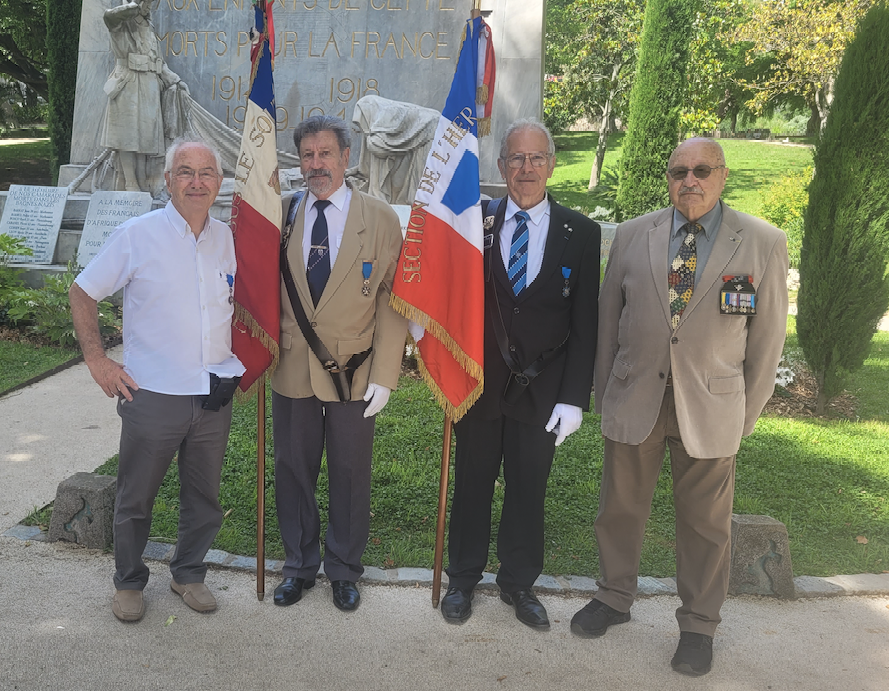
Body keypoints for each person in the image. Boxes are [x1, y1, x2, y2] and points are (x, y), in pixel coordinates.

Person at [572, 137, 788, 676]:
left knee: (706, 526)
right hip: (635, 397)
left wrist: (745, 414)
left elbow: (767, 342)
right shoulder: (630, 235)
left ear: (722, 175)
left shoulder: (761, 242)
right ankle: (614, 597)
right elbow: (606, 324)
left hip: (712, 409)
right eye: (679, 171)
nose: (689, 180)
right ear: (668, 178)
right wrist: (606, 394)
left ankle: (697, 625)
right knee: (619, 510)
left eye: (701, 170)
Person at [69, 141, 242, 622]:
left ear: (219, 183)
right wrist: (98, 360)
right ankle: (128, 581)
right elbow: (82, 291)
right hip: (154, 395)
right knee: (137, 495)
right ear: (167, 181)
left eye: (207, 173)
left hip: (213, 392)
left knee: (204, 496)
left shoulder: (227, 239)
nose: (197, 182)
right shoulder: (136, 235)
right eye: (185, 172)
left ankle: (189, 573)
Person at [439, 118, 601, 629]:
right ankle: (462, 580)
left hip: (544, 392)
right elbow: (450, 303)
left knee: (529, 490)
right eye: (516, 159)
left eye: (536, 159)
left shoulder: (582, 232)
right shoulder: (474, 224)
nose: (526, 169)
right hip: (480, 387)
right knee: (471, 486)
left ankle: (518, 583)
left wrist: (574, 398)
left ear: (552, 164)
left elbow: (586, 324)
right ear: (501, 165)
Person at [270, 116, 407, 612]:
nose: (316, 165)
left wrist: (387, 374)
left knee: (350, 473)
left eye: (325, 154)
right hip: (292, 367)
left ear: (347, 158)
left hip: (355, 369)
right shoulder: (282, 213)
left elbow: (394, 301)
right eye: (307, 155)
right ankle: (299, 566)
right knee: (293, 469)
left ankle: (345, 570)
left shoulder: (381, 218)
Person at [101, 0, 186, 192]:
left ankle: (138, 178)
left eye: (149, 2)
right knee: (126, 134)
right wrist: (132, 4)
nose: (149, 6)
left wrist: (172, 78)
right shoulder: (122, 20)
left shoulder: (148, 25)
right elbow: (108, 16)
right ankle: (129, 181)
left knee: (144, 135)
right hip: (127, 80)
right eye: (145, 1)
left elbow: (156, 58)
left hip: (149, 82)